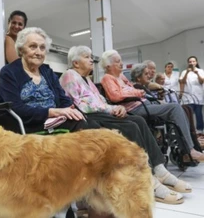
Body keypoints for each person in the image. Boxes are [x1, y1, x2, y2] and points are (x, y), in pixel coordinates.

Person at [0, 27, 118, 218]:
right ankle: (94, 202)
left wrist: (69, 110)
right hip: (30, 125)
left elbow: (63, 99)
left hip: (57, 121)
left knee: (94, 133)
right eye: (33, 46)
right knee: (90, 135)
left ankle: (92, 197)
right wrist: (51, 111)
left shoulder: (47, 71)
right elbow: (15, 108)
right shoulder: (9, 72)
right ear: (21, 49)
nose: (38, 52)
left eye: (42, 48)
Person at [59, 45, 190, 206]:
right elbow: (81, 105)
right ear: (76, 62)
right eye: (87, 57)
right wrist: (112, 108)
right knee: (130, 127)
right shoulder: (69, 76)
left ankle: (159, 168)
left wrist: (115, 108)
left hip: (101, 112)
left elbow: (100, 101)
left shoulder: (87, 80)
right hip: (88, 117)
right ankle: (145, 179)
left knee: (139, 121)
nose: (91, 60)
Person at [100, 50, 204, 163]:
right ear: (108, 66)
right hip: (134, 109)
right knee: (175, 108)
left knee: (180, 109)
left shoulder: (121, 76)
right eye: (118, 61)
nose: (121, 63)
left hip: (144, 104)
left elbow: (133, 88)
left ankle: (190, 148)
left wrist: (139, 92)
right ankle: (189, 151)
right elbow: (115, 96)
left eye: (121, 60)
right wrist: (138, 93)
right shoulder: (107, 78)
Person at [179, 56, 204, 135]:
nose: (192, 63)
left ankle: (200, 130)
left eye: (193, 61)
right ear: (188, 63)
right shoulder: (184, 72)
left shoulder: (200, 71)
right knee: (188, 115)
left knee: (199, 114)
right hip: (188, 97)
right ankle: (191, 131)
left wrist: (197, 73)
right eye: (190, 62)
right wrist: (187, 72)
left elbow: (201, 81)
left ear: (196, 62)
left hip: (198, 96)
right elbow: (182, 82)